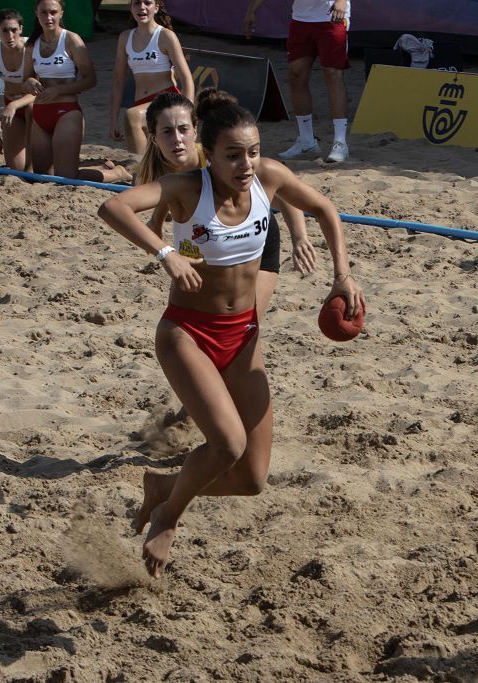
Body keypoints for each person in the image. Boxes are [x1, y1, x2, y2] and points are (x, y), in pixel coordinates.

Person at [98, 89, 365, 578]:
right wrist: (166, 254)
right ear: (210, 152)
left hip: (243, 335)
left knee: (251, 480)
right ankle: (168, 517)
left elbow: (326, 209)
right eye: (233, 154)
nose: (246, 163)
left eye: (254, 151)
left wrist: (341, 274)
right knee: (226, 445)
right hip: (188, 332)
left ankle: (163, 487)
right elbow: (113, 209)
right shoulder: (185, 187)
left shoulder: (268, 177)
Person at [137, 90, 317, 318]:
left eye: (183, 129)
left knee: (246, 325)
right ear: (154, 137)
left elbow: (283, 193)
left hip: (254, 235)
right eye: (167, 132)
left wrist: (299, 237)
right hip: (208, 242)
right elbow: (170, 193)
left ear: (195, 130)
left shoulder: (218, 158)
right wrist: (157, 222)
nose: (177, 140)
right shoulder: (164, 166)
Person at [23, 0, 131, 182]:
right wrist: (30, 82)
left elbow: (90, 79)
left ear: (61, 13)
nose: (48, 17)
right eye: (43, 12)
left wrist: (59, 89)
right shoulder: (32, 44)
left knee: (66, 177)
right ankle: (104, 168)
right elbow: (24, 80)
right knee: (40, 177)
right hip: (40, 113)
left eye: (53, 12)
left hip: (66, 112)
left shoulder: (71, 40)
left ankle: (117, 173)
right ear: (36, 13)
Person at [243, 0, 351, 163]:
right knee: (296, 74)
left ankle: (340, 143)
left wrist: (341, 1)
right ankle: (306, 141)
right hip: (301, 19)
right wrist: (251, 10)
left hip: (331, 18)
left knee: (333, 75)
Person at [108, 0, 194, 156]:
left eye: (147, 2)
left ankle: (140, 176)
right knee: (154, 160)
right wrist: (113, 120)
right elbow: (118, 81)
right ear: (130, 8)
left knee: (132, 117)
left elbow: (187, 79)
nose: (141, 7)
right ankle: (135, 174)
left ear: (156, 7)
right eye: (136, 3)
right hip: (141, 105)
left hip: (166, 101)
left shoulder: (166, 36)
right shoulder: (125, 37)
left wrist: (188, 115)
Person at [0, 8, 34, 170]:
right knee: (17, 169)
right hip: (11, 106)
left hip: (32, 106)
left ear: (21, 29)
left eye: (14, 30)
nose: (10, 36)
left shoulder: (31, 49)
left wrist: (13, 105)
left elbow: (39, 91)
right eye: (5, 30)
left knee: (37, 168)